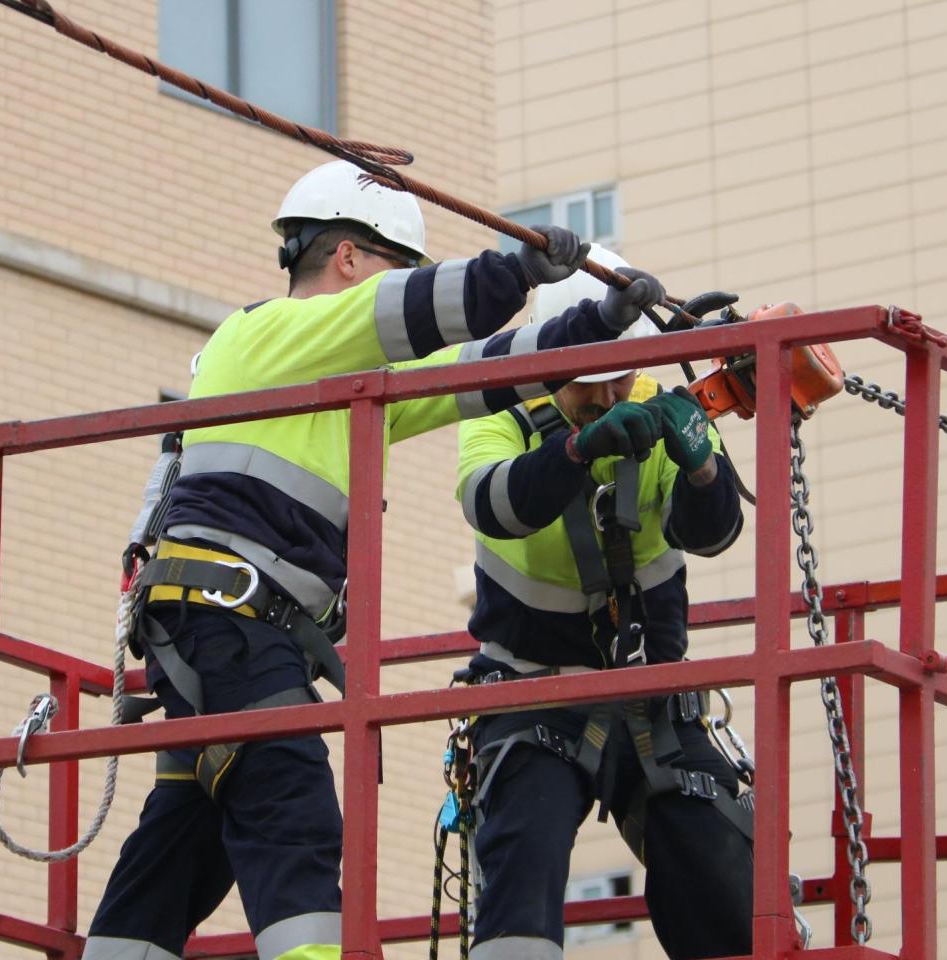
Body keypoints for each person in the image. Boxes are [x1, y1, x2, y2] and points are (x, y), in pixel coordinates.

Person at [83, 161, 668, 960]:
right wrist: (518, 270)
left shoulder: (340, 385)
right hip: (230, 625)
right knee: (295, 814)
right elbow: (410, 316)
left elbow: (476, 374)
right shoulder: (266, 334)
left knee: (183, 844)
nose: (402, 290)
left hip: (218, 633)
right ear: (349, 259)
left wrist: (592, 327)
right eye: (400, 265)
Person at [454, 245, 753, 960]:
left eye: (618, 379)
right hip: (533, 699)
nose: (606, 398)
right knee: (521, 878)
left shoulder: (656, 406)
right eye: (587, 385)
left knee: (723, 877)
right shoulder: (503, 412)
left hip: (653, 698)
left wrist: (703, 462)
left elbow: (714, 534)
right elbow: (493, 504)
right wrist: (577, 454)